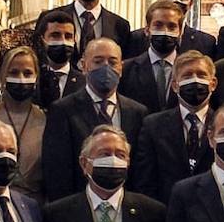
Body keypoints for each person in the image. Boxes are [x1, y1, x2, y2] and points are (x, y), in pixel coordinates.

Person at [42, 37, 148, 199]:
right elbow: (57, 170)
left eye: (112, 62)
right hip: (79, 206)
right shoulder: (63, 110)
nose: (106, 67)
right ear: (84, 66)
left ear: (121, 67)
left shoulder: (137, 112)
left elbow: (141, 170)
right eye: (98, 62)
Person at [131, 51, 216, 202]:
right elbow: (144, 181)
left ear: (213, 83)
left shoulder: (223, 124)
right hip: (165, 215)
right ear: (175, 86)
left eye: (201, 75)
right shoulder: (153, 126)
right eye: (187, 75)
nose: (194, 80)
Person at [0, 46, 46, 201]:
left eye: (27, 73)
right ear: (2, 76)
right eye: (13, 72)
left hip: (36, 206)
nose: (21, 78)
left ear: (36, 77)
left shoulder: (46, 119)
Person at [126, 0, 217, 57]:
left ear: (190, 3)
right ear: (160, 0)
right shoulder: (135, 39)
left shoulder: (206, 43)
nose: (176, 1)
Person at [121, 0, 184, 114]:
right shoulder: (126, 70)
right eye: (158, 25)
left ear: (180, 32)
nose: (165, 32)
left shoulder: (188, 70)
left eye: (171, 27)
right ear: (146, 30)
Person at [32, 9, 84, 108]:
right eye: (55, 35)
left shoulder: (85, 84)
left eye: (68, 36)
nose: (63, 41)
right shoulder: (32, 78)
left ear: (74, 40)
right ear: (43, 39)